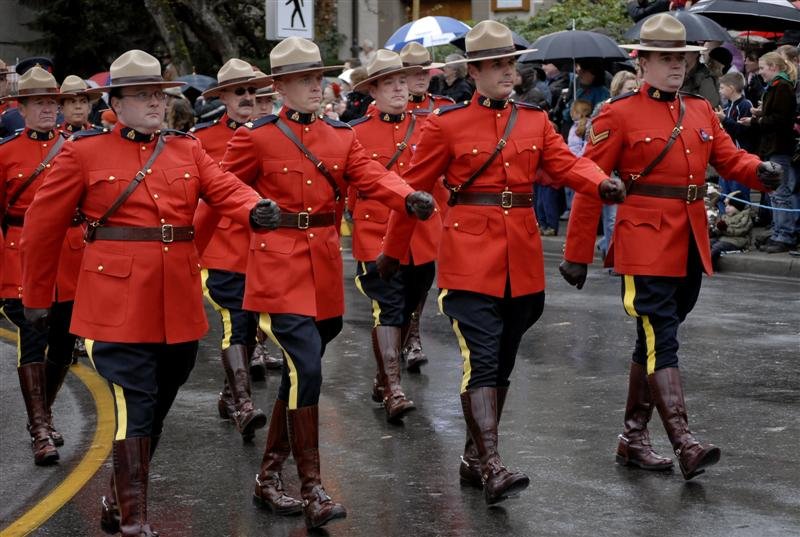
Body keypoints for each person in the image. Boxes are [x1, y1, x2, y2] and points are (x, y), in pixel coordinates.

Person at [19, 49, 278, 536]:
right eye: (142, 95)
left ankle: (118, 499)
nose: (156, 103)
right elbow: (41, 228)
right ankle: (135, 522)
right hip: (113, 303)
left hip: (176, 300)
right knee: (136, 404)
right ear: (114, 103)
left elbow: (225, 187)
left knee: (159, 400)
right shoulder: (82, 152)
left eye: (159, 93)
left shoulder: (187, 148)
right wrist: (36, 296)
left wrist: (255, 206)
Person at [378, 20, 625, 505]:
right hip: (469, 256)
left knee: (504, 360)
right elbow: (414, 192)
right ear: (474, 71)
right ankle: (491, 463)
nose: (508, 73)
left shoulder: (533, 120)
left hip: (523, 258)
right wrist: (392, 250)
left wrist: (599, 183)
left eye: (511, 63)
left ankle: (474, 457)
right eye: (496, 65)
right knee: (484, 358)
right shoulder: (444, 125)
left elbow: (566, 165)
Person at [195, 36, 434, 529]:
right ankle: (312, 489)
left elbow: (370, 175)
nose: (314, 87)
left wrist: (406, 197)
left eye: (317, 77)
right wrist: (191, 255)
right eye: (302, 79)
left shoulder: (341, 135)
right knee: (307, 368)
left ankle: (267, 477)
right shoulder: (256, 136)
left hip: (323, 266)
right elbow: (218, 192)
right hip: (275, 267)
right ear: (280, 86)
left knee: (301, 373)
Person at [559, 14, 783, 481]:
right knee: (663, 336)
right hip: (642, 240)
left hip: (688, 239)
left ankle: (633, 437)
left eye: (681, 58)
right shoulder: (616, 114)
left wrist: (757, 169)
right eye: (666, 58)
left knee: (654, 337)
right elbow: (589, 184)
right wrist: (577, 253)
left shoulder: (699, 109)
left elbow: (728, 157)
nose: (677, 66)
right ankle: (684, 440)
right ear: (643, 63)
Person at [347, 50, 442, 420]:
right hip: (377, 231)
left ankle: (383, 380)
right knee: (388, 305)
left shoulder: (427, 126)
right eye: (390, 82)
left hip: (421, 234)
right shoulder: (356, 132)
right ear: (373, 90)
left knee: (410, 306)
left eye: (404, 80)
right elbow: (351, 189)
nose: (400, 88)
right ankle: (394, 389)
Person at [0, 66, 82, 466]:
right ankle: (40, 430)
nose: (49, 109)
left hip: (68, 258)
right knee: (33, 339)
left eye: (53, 102)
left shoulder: (75, 148)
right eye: (40, 103)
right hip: (21, 258)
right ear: (22, 106)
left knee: (65, 344)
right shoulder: (6, 153)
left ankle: (43, 416)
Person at [190, 58, 274, 441]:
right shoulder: (201, 140)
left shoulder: (274, 135)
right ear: (222, 96)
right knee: (236, 321)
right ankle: (243, 404)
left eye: (253, 91)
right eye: (239, 91)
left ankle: (228, 396)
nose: (247, 98)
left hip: (265, 249)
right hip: (221, 247)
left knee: (253, 323)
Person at [396, 41, 453, 370]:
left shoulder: (443, 109)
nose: (420, 78)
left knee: (423, 278)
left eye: (424, 72)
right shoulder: (390, 110)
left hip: (433, 208)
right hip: (398, 208)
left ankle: (413, 334)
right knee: (396, 283)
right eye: (412, 73)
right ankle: (401, 338)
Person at [739, 51, 798, 253]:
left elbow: (781, 120)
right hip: (772, 146)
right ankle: (779, 231)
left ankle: (786, 234)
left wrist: (757, 120)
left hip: (779, 146)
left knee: (781, 192)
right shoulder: (776, 87)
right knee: (775, 193)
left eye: (763, 68)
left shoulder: (782, 87)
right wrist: (760, 114)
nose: (760, 72)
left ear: (773, 67)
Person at [715, 71, 754, 214]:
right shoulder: (726, 106)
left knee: (738, 193)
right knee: (723, 192)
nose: (720, 90)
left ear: (731, 88)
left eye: (722, 87)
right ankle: (724, 222)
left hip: (739, 157)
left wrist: (724, 120)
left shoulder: (745, 105)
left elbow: (743, 131)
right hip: (726, 157)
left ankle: (742, 223)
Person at [710, 190, 753, 269]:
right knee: (708, 243)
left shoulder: (745, 217)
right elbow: (719, 229)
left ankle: (711, 265)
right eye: (726, 205)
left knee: (717, 247)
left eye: (730, 205)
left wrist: (726, 229)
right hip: (724, 238)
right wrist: (715, 230)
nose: (727, 208)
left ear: (737, 206)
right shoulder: (725, 216)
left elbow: (740, 230)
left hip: (737, 241)